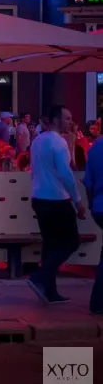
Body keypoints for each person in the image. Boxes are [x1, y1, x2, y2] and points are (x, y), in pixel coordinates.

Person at [28, 105, 85, 305]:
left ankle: (49, 291)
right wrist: (78, 201)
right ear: (55, 120)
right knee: (71, 242)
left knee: (51, 244)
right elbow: (65, 173)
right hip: (56, 199)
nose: (70, 121)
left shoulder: (37, 141)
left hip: (39, 197)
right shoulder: (58, 142)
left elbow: (34, 170)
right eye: (67, 118)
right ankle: (40, 277)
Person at [83, 135, 103, 316]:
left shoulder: (95, 149)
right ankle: (98, 301)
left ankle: (97, 302)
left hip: (99, 207)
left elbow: (87, 182)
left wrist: (91, 204)